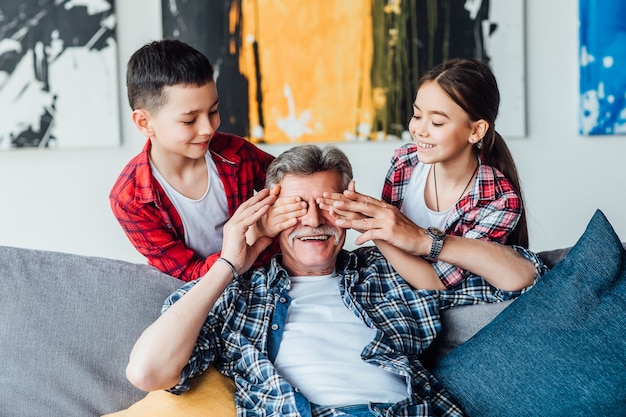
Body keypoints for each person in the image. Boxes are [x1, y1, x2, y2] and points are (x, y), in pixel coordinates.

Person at [125, 145, 546, 416]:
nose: (312, 220)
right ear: (267, 210)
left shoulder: (389, 271)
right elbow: (148, 370)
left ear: (350, 204)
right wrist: (230, 263)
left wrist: (417, 240)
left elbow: (525, 277)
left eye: (327, 205)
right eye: (296, 207)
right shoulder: (239, 293)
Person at [318, 58, 533, 292]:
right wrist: (371, 220)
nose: (419, 130)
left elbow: (436, 283)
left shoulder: (498, 199)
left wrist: (376, 229)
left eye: (437, 122)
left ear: (476, 130)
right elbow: (392, 255)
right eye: (417, 116)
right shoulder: (404, 162)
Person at [109, 39, 291, 281]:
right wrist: (257, 233)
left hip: (271, 277)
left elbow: (295, 184)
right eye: (189, 120)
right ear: (145, 122)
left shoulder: (237, 153)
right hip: (205, 296)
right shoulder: (130, 200)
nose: (208, 128)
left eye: (213, 111)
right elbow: (188, 275)